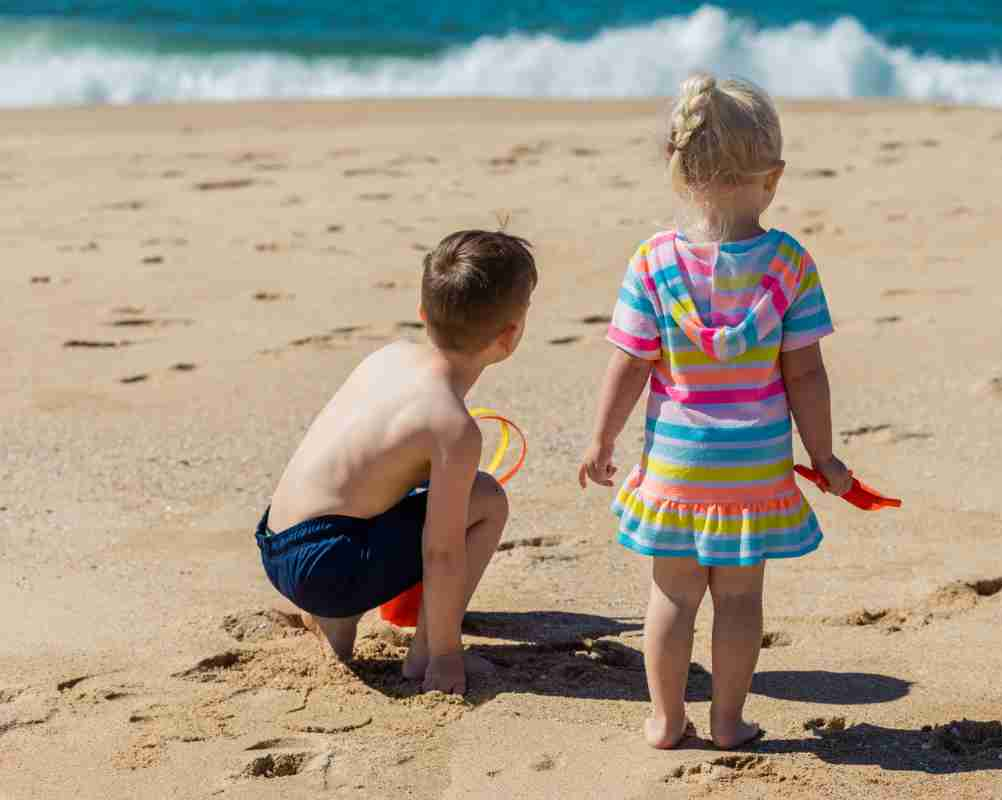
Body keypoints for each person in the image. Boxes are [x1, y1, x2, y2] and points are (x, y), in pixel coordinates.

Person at [579, 74, 853, 750]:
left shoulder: (653, 263)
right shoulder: (788, 263)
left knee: (671, 598)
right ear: (774, 176)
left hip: (676, 468)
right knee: (738, 601)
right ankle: (728, 722)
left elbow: (629, 365)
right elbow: (806, 375)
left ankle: (668, 721)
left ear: (678, 170)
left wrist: (601, 440)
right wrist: (822, 456)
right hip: (753, 473)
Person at [257, 229, 536, 695]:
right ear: (509, 337)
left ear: (423, 314)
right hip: (327, 566)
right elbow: (442, 551)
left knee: (398, 488)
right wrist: (448, 656)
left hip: (278, 542)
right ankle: (426, 652)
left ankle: (334, 618)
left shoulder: (388, 356)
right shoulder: (452, 426)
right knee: (486, 498)